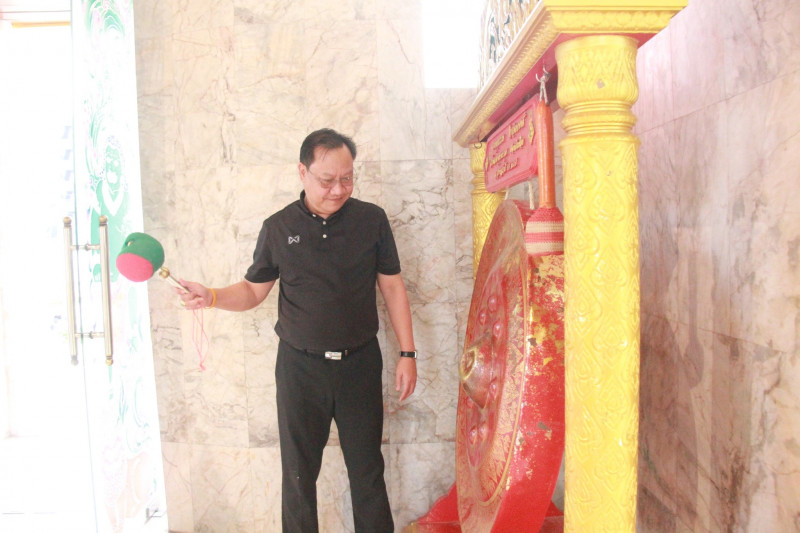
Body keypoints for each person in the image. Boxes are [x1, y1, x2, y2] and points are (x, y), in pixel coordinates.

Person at [178, 128, 417, 533]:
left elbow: (392, 287)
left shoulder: (371, 220)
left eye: (347, 179)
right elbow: (253, 291)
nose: (338, 189)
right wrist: (212, 296)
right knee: (298, 477)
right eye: (327, 180)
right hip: (299, 369)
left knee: (367, 472)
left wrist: (407, 354)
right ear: (302, 172)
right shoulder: (278, 227)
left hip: (359, 365)